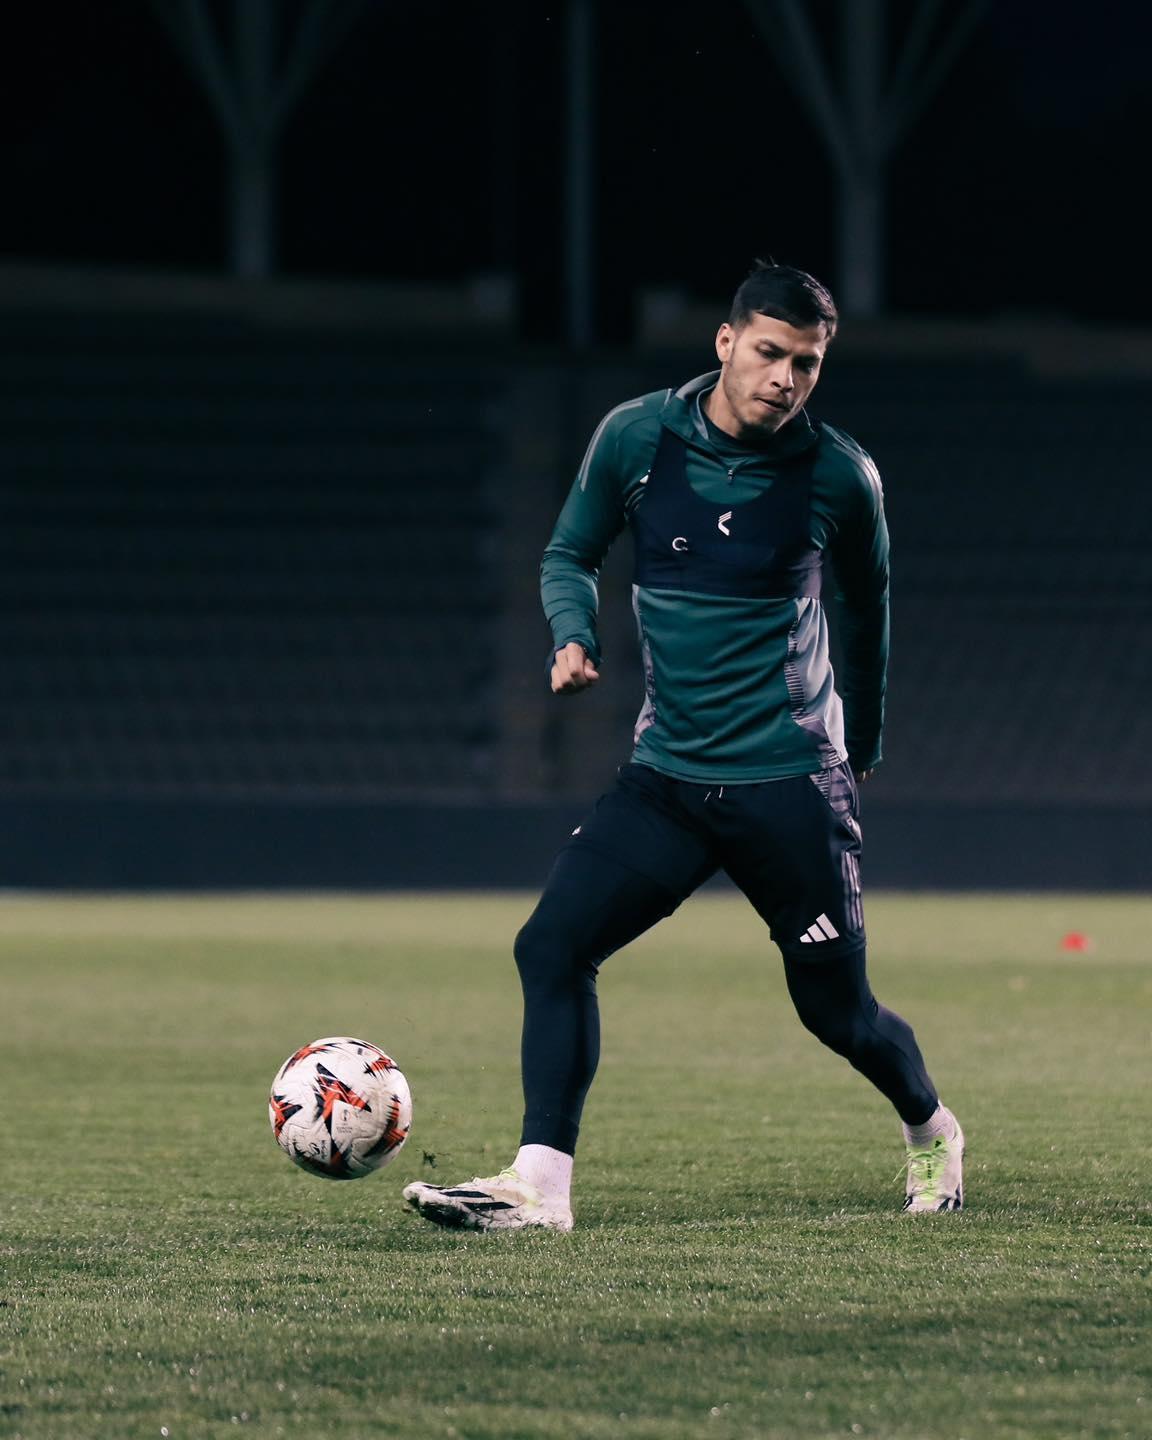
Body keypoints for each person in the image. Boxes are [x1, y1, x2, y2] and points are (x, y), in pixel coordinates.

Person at [404, 261, 964, 1231]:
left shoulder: (840, 475)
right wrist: (571, 633)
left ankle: (933, 1130)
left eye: (807, 363)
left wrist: (863, 740)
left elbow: (869, 614)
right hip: (667, 780)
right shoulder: (636, 438)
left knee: (836, 1014)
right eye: (770, 353)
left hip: (789, 786)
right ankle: (541, 1187)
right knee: (552, 945)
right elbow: (569, 551)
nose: (785, 378)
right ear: (726, 342)